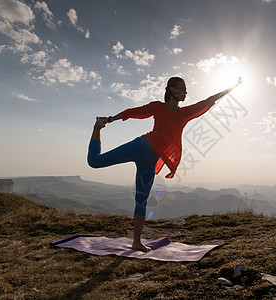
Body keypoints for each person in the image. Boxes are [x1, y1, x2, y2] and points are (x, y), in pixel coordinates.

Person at [87, 76, 242, 251]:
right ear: (172, 90)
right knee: (95, 162)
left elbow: (208, 101)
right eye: (182, 88)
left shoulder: (184, 114)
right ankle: (96, 129)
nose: (186, 92)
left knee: (141, 200)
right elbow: (133, 112)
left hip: (151, 160)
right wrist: (109, 119)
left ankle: (136, 242)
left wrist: (231, 88)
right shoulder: (158, 107)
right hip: (141, 146)